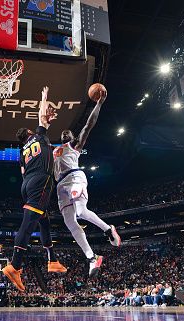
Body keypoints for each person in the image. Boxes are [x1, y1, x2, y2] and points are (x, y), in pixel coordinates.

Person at [3, 86, 65, 291]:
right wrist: (44, 97)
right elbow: (41, 115)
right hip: (40, 181)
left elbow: (22, 172)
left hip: (27, 183)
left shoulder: (22, 152)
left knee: (44, 221)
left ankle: (52, 260)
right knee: (28, 224)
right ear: (30, 133)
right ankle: (15, 265)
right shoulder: (38, 136)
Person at [53, 88, 120, 278]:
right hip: (60, 186)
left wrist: (99, 104)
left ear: (73, 138)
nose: (66, 133)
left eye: (69, 133)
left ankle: (108, 229)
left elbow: (89, 125)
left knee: (81, 212)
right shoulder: (54, 151)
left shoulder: (75, 146)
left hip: (75, 178)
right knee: (69, 223)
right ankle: (92, 258)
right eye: (63, 133)